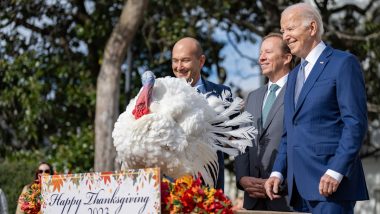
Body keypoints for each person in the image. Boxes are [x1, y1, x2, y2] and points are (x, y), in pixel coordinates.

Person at [264, 3, 369, 213]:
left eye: (290, 29)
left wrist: (336, 170)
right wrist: (278, 172)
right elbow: (289, 132)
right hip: (297, 190)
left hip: (330, 186)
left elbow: (355, 124)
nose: (285, 36)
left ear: (311, 28)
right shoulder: (293, 75)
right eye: (283, 31)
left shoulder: (343, 63)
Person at [234, 33, 293, 211]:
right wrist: (242, 178)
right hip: (252, 198)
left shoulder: (299, 91)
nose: (261, 58)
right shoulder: (253, 96)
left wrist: (280, 179)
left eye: (268, 52)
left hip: (285, 196)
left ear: (287, 58)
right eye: (260, 53)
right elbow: (242, 141)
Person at [171, 37, 232, 190]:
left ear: (201, 61)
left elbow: (232, 141)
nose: (179, 67)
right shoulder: (159, 93)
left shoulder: (222, 94)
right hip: (170, 185)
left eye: (185, 60)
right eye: (175, 61)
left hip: (209, 186)